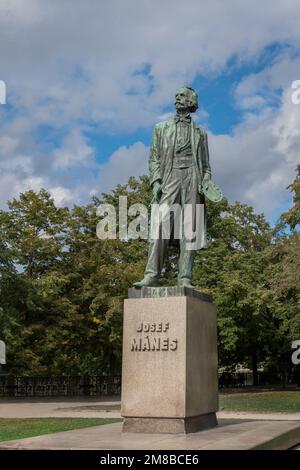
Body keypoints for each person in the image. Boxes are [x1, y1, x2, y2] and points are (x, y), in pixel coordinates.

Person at [134, 87, 213, 288]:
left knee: (190, 229)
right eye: (176, 95)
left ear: (191, 102)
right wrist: (156, 181)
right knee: (160, 225)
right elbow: (153, 159)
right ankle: (151, 274)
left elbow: (206, 167)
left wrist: (206, 182)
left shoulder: (200, 133)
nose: (177, 98)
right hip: (170, 177)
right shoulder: (160, 128)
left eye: (182, 96)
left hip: (192, 178)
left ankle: (184, 277)